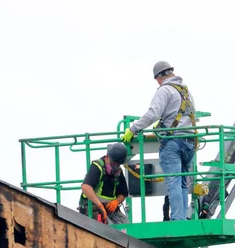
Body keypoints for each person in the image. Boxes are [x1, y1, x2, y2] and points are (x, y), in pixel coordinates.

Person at [121, 61, 196, 221]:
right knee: (183, 183)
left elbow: (153, 113)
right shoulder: (185, 91)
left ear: (159, 77)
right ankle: (181, 218)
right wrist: (164, 123)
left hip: (173, 142)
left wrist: (133, 129)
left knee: (174, 181)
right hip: (190, 141)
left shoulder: (165, 90)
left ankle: (177, 221)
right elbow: (186, 115)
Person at [79, 143, 129, 224]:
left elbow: (123, 193)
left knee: (126, 226)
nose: (115, 166)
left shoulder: (118, 172)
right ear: (107, 157)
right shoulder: (97, 167)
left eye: (118, 164)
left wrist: (116, 202)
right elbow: (85, 187)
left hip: (109, 210)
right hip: (92, 208)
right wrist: (100, 205)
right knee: (109, 227)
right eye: (113, 163)